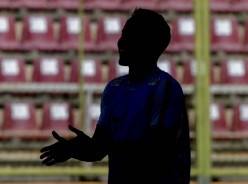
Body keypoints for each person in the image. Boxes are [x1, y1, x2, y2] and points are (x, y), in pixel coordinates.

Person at [40, 8, 191, 184]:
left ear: (149, 45)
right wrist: (76, 149)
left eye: (130, 36)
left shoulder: (165, 87)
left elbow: (155, 149)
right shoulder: (114, 88)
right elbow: (98, 151)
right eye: (123, 35)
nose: (121, 42)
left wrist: (100, 146)